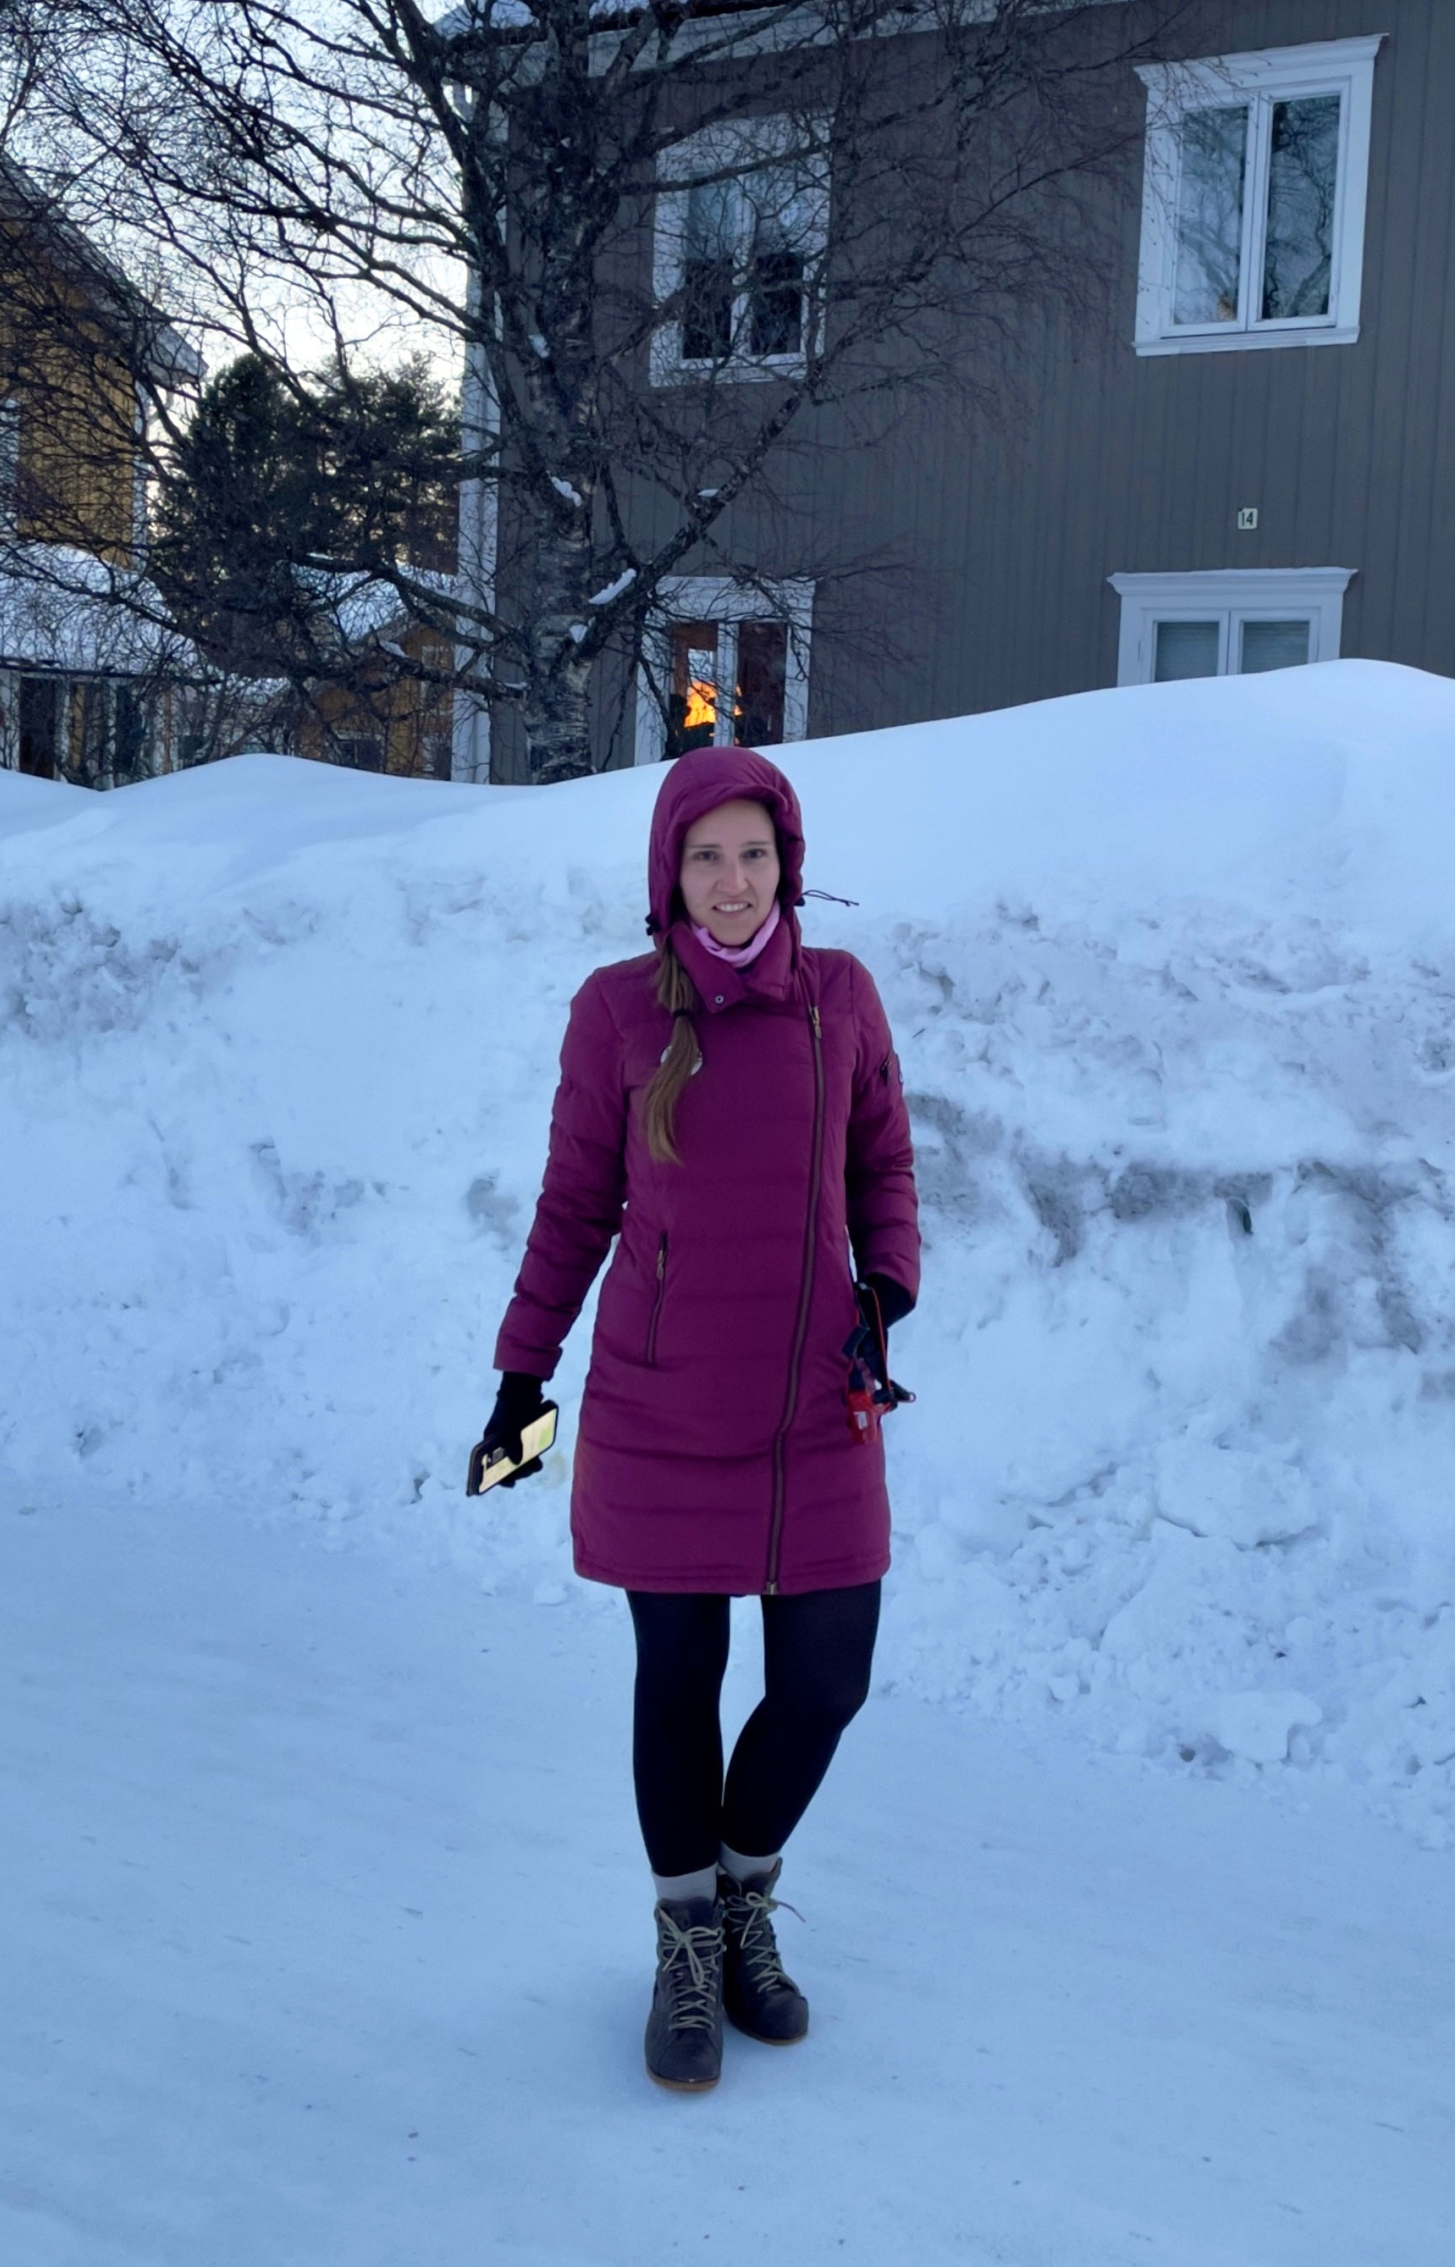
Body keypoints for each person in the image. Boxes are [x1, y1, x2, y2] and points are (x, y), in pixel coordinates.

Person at [478, 745, 920, 2094]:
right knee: (677, 1676)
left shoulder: (838, 999)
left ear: (790, 861)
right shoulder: (618, 1012)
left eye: (754, 853)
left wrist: (888, 1282)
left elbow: (882, 1158)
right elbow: (575, 1206)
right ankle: (688, 1936)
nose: (732, 883)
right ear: (668, 876)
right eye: (704, 857)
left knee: (825, 1679)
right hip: (659, 1405)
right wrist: (521, 1374)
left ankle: (741, 1897)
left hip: (815, 1406)